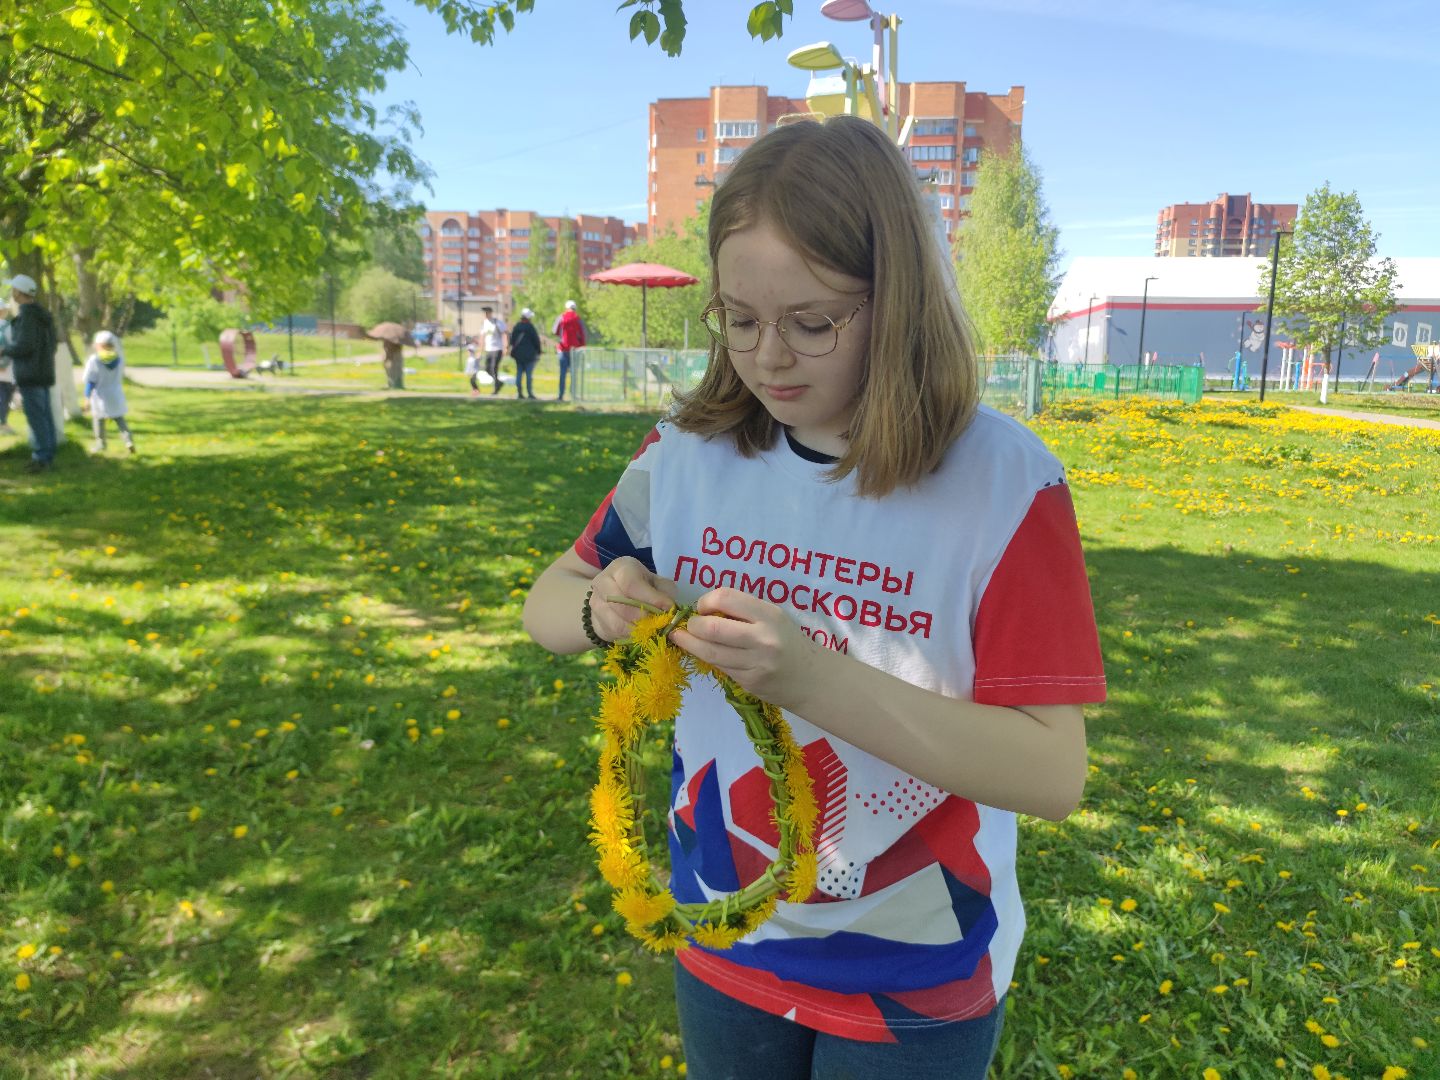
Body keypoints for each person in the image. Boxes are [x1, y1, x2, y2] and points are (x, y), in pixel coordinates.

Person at [522, 117, 1104, 1079]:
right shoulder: (688, 457)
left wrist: (808, 677)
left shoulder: (1004, 486)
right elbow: (551, 601)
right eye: (739, 319)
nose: (769, 358)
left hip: (916, 962)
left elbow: (1053, 774)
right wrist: (601, 608)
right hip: (725, 930)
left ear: (898, 302)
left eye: (813, 321)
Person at [1, 273, 58, 472]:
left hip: (30, 373)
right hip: (43, 372)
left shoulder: (27, 316)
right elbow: (52, 345)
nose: (12, 293)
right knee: (45, 416)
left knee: (37, 417)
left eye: (13, 290)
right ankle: (48, 454)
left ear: (18, 293)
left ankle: (42, 458)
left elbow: (24, 346)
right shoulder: (43, 315)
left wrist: (4, 350)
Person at [83, 330, 135, 453]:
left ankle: (101, 443)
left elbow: (91, 380)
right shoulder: (119, 359)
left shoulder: (94, 360)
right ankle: (129, 441)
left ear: (98, 345)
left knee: (99, 420)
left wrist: (87, 397)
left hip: (100, 395)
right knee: (120, 419)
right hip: (115, 393)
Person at [552, 299, 586, 401]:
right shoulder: (578, 318)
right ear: (575, 308)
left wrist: (561, 336)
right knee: (573, 373)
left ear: (566, 308)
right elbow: (583, 334)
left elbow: (554, 331)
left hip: (563, 348)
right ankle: (573, 395)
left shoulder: (561, 317)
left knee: (562, 373)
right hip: (575, 349)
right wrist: (582, 345)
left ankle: (560, 395)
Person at [509, 308, 542, 400]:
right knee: (528, 374)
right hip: (529, 354)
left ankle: (519, 392)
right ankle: (529, 393)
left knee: (519, 373)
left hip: (518, 354)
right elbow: (536, 341)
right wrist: (539, 351)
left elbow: (512, 341)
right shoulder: (530, 327)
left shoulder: (516, 327)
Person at [480, 307, 507, 394]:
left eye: (486, 313)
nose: (485, 315)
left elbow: (504, 334)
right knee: (487, 369)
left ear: (490, 313)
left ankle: (495, 389)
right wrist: (480, 350)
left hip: (497, 349)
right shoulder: (484, 323)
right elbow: (483, 337)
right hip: (488, 349)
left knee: (494, 368)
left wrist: (505, 347)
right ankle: (498, 383)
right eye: (484, 313)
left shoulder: (497, 322)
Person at [0, 312, 15, 436]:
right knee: (5, 397)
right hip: (8, 370)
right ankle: (3, 423)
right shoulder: (9, 327)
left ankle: (3, 423)